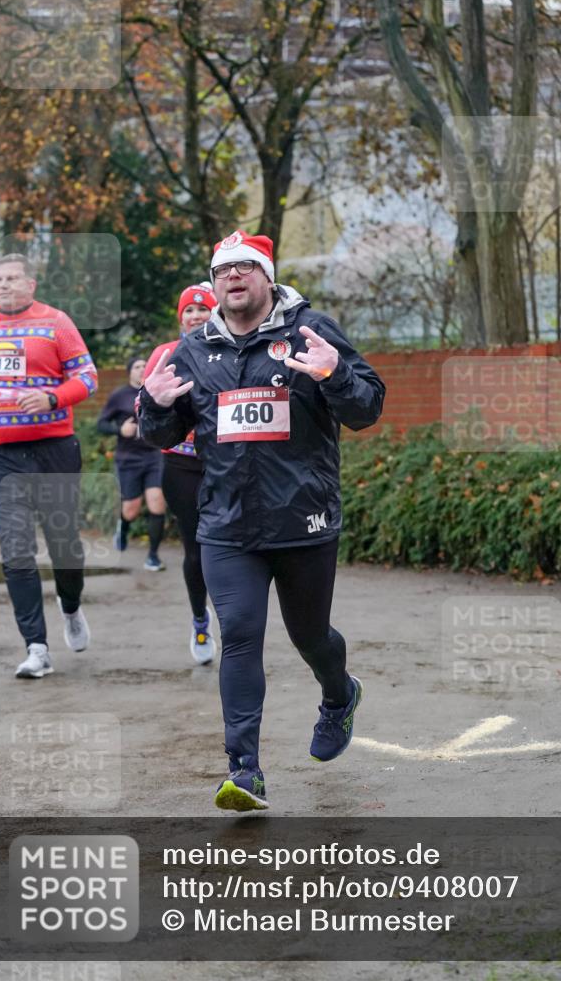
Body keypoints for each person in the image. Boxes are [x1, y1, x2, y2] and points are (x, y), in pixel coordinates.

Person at [139, 230, 385, 811]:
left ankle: (339, 695)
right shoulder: (193, 350)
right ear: (213, 283)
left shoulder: (310, 331)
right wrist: (153, 405)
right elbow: (164, 435)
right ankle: (244, 770)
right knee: (241, 636)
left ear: (268, 277)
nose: (233, 277)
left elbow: (367, 408)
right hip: (227, 526)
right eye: (223, 270)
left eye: (245, 267)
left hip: (303, 521)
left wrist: (335, 375)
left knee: (310, 636)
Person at [0, 253, 97, 678]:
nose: (3, 285)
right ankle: (36, 647)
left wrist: (52, 398)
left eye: (12, 278)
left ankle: (71, 606)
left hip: (53, 451)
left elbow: (88, 377)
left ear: (31, 284)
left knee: (64, 545)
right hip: (1, 457)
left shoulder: (55, 322)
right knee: (16, 552)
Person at [143, 283, 218, 663]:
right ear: (180, 318)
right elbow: (144, 407)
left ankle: (237, 620)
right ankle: (200, 618)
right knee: (196, 548)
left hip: (227, 463)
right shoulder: (165, 354)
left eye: (203, 309)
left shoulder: (231, 350)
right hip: (181, 464)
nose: (196, 315)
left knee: (231, 545)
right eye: (189, 310)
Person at [97, 356, 166, 572]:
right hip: (128, 459)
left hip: (154, 456)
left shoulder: (155, 391)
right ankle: (123, 528)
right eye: (137, 366)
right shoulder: (119, 395)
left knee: (157, 502)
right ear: (129, 372)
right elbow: (101, 424)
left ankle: (153, 557)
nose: (142, 369)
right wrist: (120, 430)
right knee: (131, 510)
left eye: (145, 365)